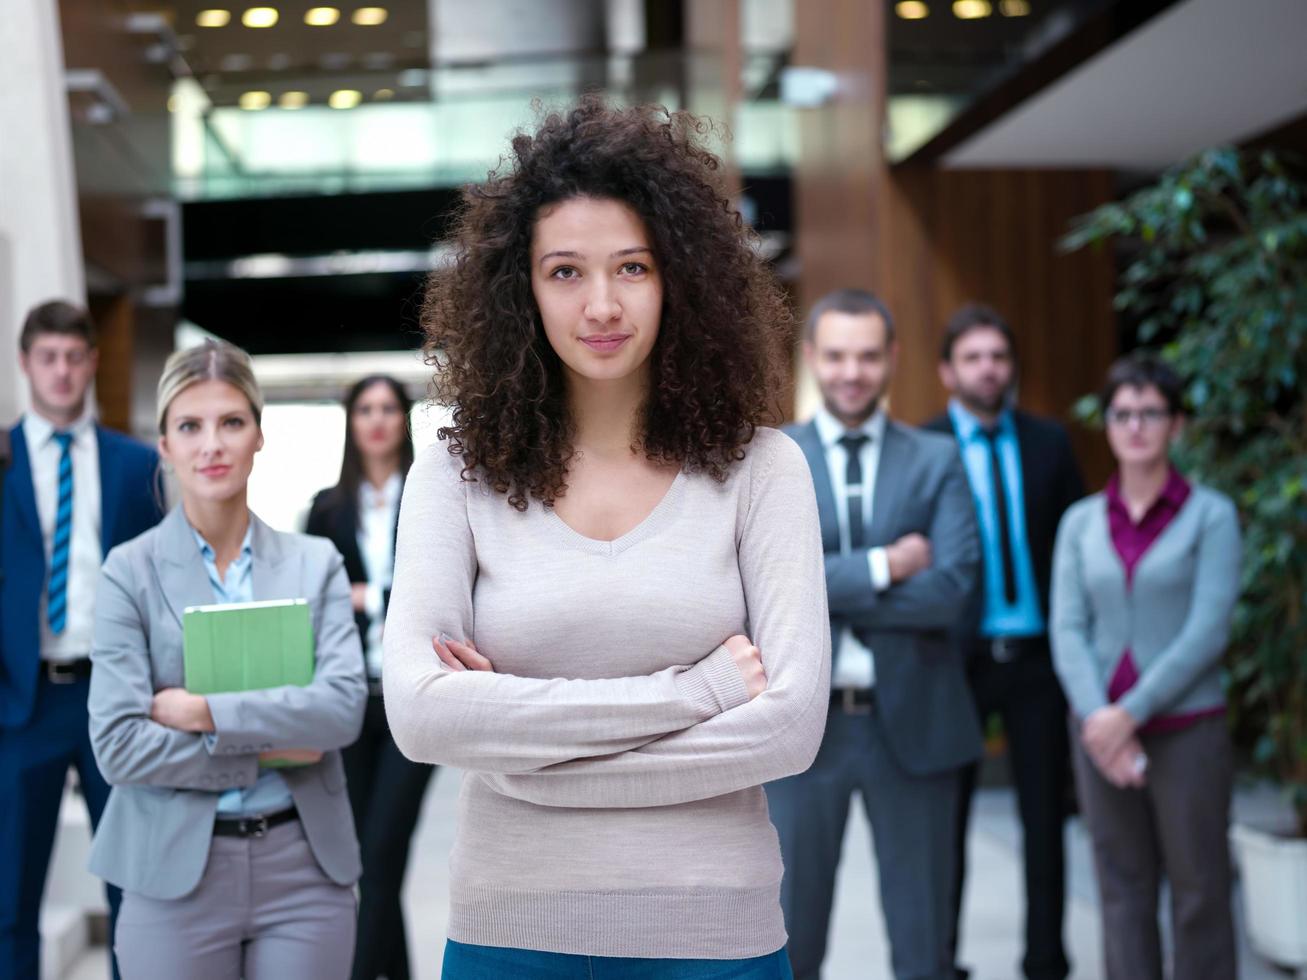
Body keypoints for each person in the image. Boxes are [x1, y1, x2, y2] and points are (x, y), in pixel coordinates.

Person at [383, 98, 829, 979]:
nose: (600, 304)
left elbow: (789, 729)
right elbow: (420, 711)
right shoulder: (452, 475)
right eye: (564, 272)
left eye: (631, 266)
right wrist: (697, 692)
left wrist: (521, 749)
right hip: (509, 933)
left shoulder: (763, 471)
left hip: (714, 938)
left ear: (680, 277)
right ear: (521, 289)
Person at [86, 339, 368, 978]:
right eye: (190, 426)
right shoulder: (127, 573)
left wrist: (201, 711)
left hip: (304, 869)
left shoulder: (313, 563)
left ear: (259, 436)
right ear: (164, 445)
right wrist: (276, 739)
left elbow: (340, 713)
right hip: (170, 870)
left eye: (231, 422)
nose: (211, 444)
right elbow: (119, 745)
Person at [766, 288, 982, 980]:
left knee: (924, 949)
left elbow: (950, 594)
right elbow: (761, 593)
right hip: (801, 735)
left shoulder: (936, 459)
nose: (850, 372)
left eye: (865, 356)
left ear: (891, 359)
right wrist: (886, 567)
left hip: (915, 730)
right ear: (810, 360)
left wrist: (821, 589)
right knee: (787, 943)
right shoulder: (772, 461)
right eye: (835, 356)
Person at [1051, 353, 1241, 980]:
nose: (1135, 426)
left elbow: (1207, 631)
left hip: (1188, 732)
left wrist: (1126, 715)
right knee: (1121, 892)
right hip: (1100, 739)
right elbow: (1068, 627)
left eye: (1151, 413)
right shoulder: (1080, 523)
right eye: (1122, 413)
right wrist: (1100, 720)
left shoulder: (1211, 515)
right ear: (1107, 424)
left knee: (1199, 892)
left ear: (1176, 426)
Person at [0, 301, 163, 980]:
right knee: (10, 902)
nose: (62, 373)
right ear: (26, 365)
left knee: (133, 894)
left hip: (114, 697)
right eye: (49, 358)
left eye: (74, 357)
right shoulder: (1, 458)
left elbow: (158, 581)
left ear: (92, 363)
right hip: (21, 703)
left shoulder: (133, 464)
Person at [923, 304, 1084, 980]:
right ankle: (940, 960)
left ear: (1010, 367)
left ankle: (1045, 960)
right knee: (945, 824)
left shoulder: (1049, 444)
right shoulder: (923, 449)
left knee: (1044, 821)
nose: (988, 368)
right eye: (973, 357)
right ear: (947, 371)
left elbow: (1073, 552)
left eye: (997, 356)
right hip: (956, 662)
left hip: (1037, 659)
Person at [306, 375, 433, 980]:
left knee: (381, 855)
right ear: (351, 422)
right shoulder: (326, 509)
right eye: (365, 409)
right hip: (349, 701)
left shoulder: (433, 498)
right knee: (367, 861)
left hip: (412, 698)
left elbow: (440, 594)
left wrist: (373, 594)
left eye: (387, 409)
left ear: (402, 420)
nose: (377, 420)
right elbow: (308, 599)